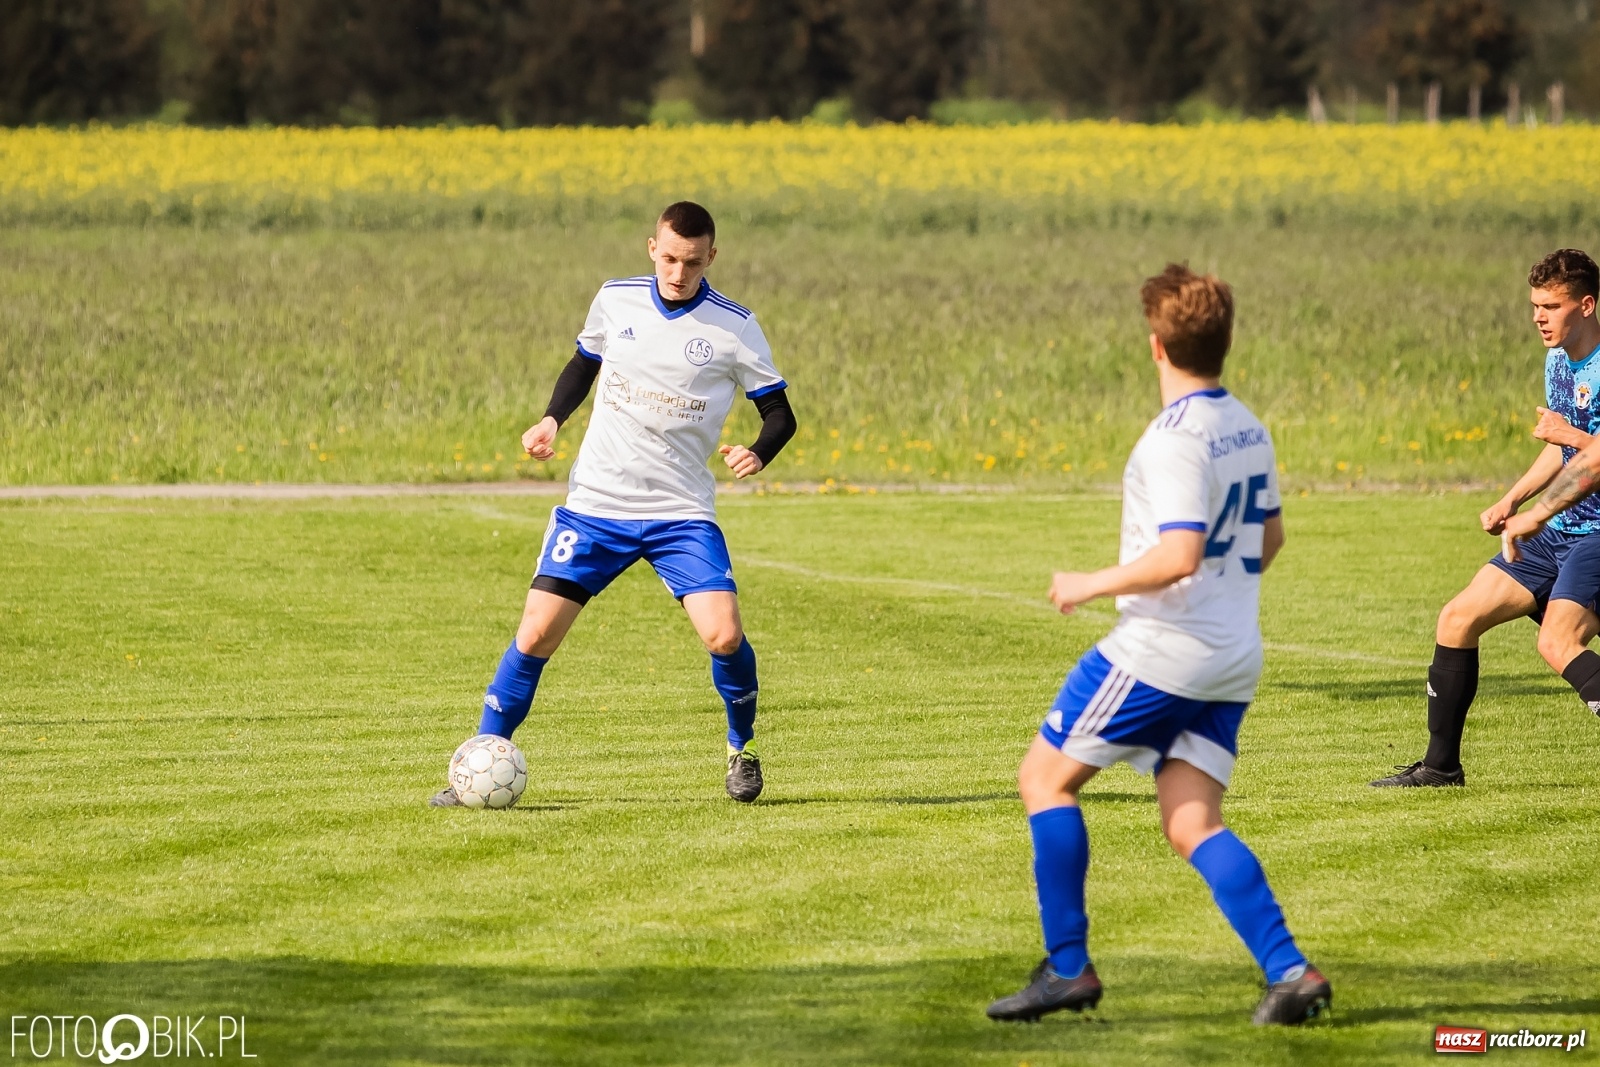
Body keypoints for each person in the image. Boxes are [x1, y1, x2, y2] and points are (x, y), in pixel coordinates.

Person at [986, 264, 1329, 1027]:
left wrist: (1088, 581)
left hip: (1162, 649)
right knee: (1191, 821)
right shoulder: (1248, 424)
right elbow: (1270, 538)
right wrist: (1219, 597)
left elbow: (1178, 553)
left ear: (1156, 345)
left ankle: (1067, 967)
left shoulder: (1172, 440)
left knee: (1044, 778)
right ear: (1223, 342)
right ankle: (1290, 971)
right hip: (1232, 653)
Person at [431, 201, 797, 807]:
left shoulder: (735, 327)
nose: (678, 273)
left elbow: (780, 414)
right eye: (669, 258)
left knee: (725, 636)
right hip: (597, 505)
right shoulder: (616, 298)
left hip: (680, 513)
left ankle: (742, 747)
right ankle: (476, 765)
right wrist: (551, 419)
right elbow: (584, 364)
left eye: (693, 262)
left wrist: (758, 453)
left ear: (712, 256)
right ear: (652, 247)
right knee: (535, 634)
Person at [1372, 249, 1600, 788]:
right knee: (1457, 618)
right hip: (1557, 529)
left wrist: (1540, 506)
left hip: (1596, 534)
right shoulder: (1559, 360)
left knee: (1557, 642)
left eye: (1551, 306)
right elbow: (1564, 450)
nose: (1539, 317)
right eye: (1535, 306)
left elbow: (1591, 456)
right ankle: (1440, 768)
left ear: (1587, 305)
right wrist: (1513, 500)